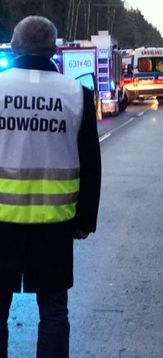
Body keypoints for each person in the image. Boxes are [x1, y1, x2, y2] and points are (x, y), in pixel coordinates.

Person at [0, 16, 102, 357]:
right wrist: (85, 219)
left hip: (1, 223)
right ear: (54, 49)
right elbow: (90, 162)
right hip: (55, 221)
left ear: (14, 47)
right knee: (55, 310)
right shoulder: (76, 94)